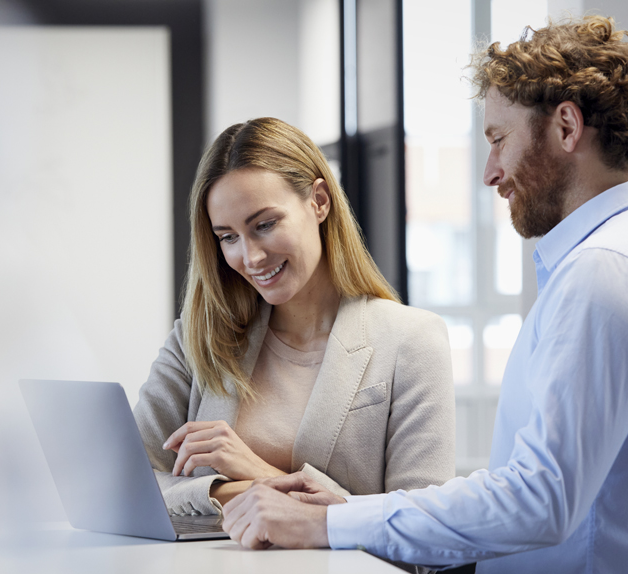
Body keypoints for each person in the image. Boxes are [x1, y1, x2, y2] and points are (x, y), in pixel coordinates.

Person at [221, 16, 628, 574]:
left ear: (567, 128)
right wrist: (359, 509)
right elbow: (545, 484)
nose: (490, 172)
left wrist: (330, 523)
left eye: (498, 139)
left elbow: (540, 500)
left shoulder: (609, 274)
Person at [133, 117, 455, 517]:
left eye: (264, 225)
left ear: (319, 201)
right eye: (228, 237)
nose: (250, 258)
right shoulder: (197, 338)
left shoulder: (411, 340)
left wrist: (260, 473)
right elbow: (131, 483)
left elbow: (425, 528)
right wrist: (229, 490)